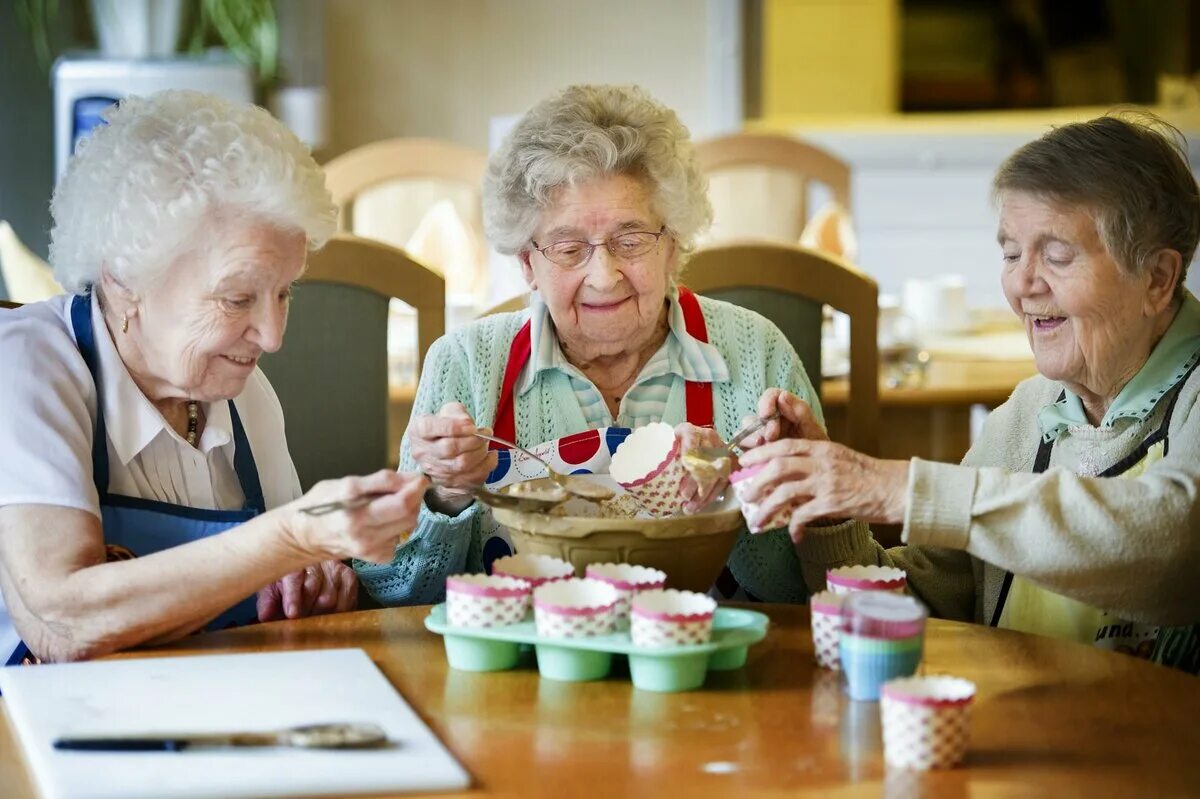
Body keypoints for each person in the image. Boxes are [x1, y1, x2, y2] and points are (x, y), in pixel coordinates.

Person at [736, 112, 1200, 672]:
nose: (1024, 284)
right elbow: (930, 605)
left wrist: (901, 489)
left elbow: (1173, 547)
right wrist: (833, 510)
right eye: (1010, 253)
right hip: (1025, 744)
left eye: (1056, 256)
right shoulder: (1029, 414)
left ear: (1157, 278)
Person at [0, 91, 427, 665]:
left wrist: (317, 579)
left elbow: (289, 570)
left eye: (285, 293)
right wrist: (293, 537)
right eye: (237, 298)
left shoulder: (240, 392)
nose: (273, 336)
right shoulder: (29, 364)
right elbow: (62, 622)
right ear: (126, 279)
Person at [354, 84, 823, 606]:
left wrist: (745, 494)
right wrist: (446, 497)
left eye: (631, 240)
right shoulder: (464, 364)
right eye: (569, 247)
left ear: (674, 245)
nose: (604, 276)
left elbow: (806, 593)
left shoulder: (757, 354)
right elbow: (398, 598)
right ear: (528, 263)